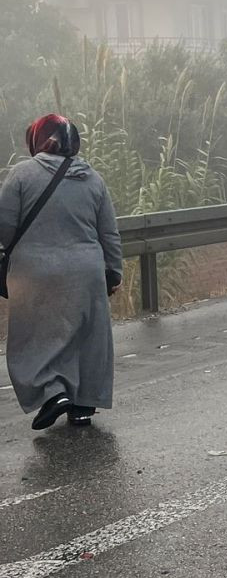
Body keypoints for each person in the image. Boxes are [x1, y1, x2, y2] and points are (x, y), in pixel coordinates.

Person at [0, 114, 123, 430]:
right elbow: (108, 232)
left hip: (34, 273)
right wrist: (114, 271)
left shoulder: (22, 175)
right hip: (86, 271)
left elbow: (4, 227)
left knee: (36, 337)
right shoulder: (93, 179)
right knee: (86, 336)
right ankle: (83, 404)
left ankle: (52, 393)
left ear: (39, 140)